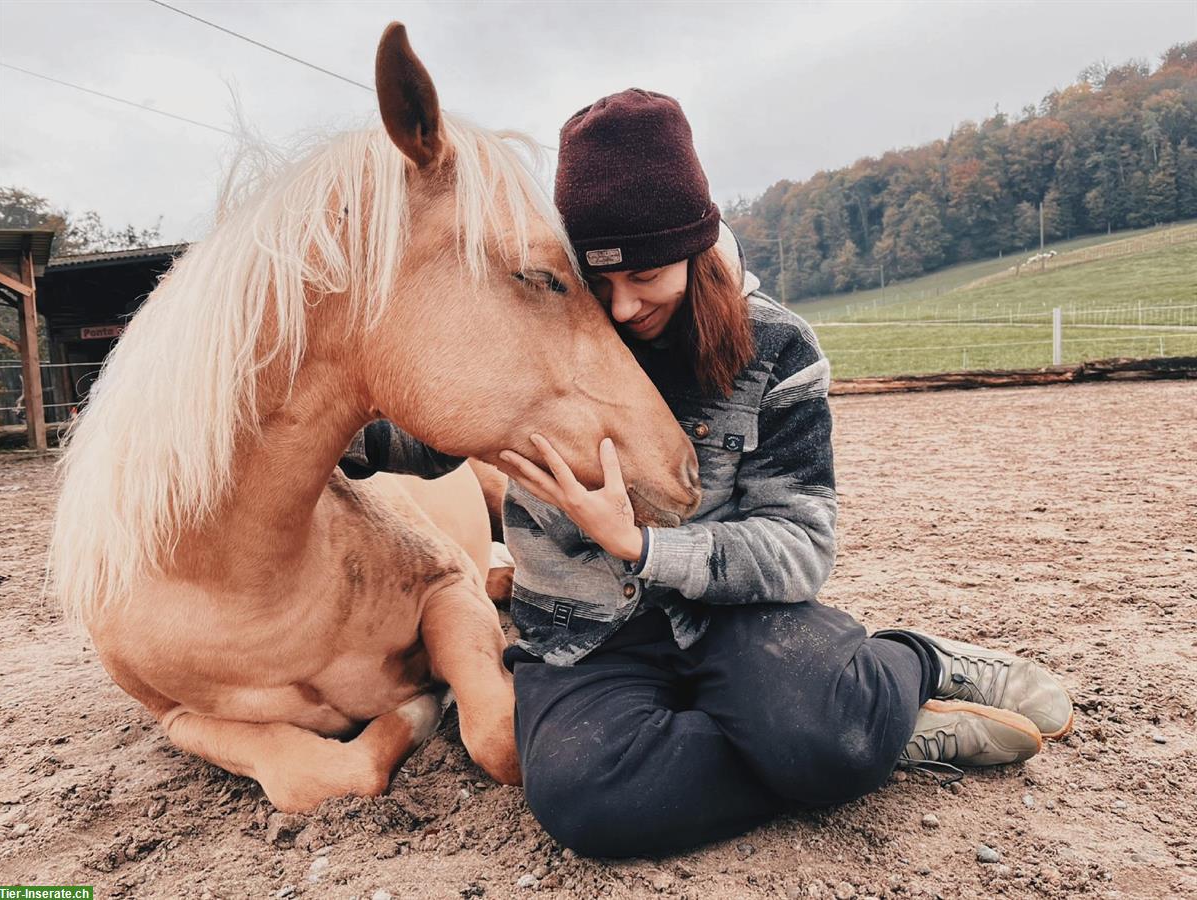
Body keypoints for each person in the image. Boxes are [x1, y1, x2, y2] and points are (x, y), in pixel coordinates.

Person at [342, 88, 1072, 859]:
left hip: (736, 614)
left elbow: (799, 544)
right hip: (583, 634)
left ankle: (911, 665)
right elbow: (432, 432)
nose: (621, 309)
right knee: (588, 801)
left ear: (697, 248)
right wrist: (316, 429)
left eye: (647, 277)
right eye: (600, 281)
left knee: (816, 732)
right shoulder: (546, 325)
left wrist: (646, 549)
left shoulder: (777, 349)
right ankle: (861, 737)